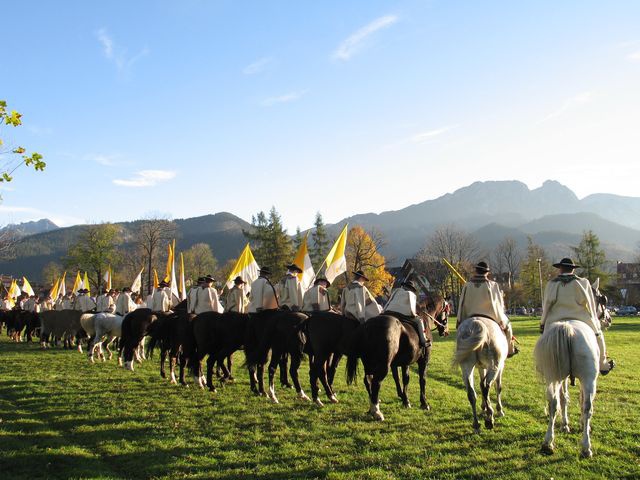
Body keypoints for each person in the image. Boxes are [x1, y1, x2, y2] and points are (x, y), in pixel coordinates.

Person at [540, 257, 615, 375]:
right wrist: (594, 319)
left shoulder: (551, 284)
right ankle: (603, 364)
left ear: (560, 269)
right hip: (581, 318)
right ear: (573, 270)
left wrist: (543, 322)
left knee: (544, 341)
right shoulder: (583, 282)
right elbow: (590, 303)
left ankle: (543, 366)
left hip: (555, 319)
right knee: (598, 335)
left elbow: (546, 305)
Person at [458, 261, 518, 357]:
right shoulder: (493, 285)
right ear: (487, 272)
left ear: (476, 271)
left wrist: (459, 320)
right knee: (508, 326)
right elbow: (498, 304)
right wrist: (500, 320)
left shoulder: (467, 285)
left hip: (470, 316)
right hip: (490, 316)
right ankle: (510, 350)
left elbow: (462, 303)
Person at [384, 280, 428, 348]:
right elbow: (412, 308)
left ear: (404, 286)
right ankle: (423, 341)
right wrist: (414, 315)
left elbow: (389, 301)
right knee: (419, 321)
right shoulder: (411, 294)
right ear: (411, 288)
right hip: (402, 314)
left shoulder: (396, 291)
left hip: (389, 311)